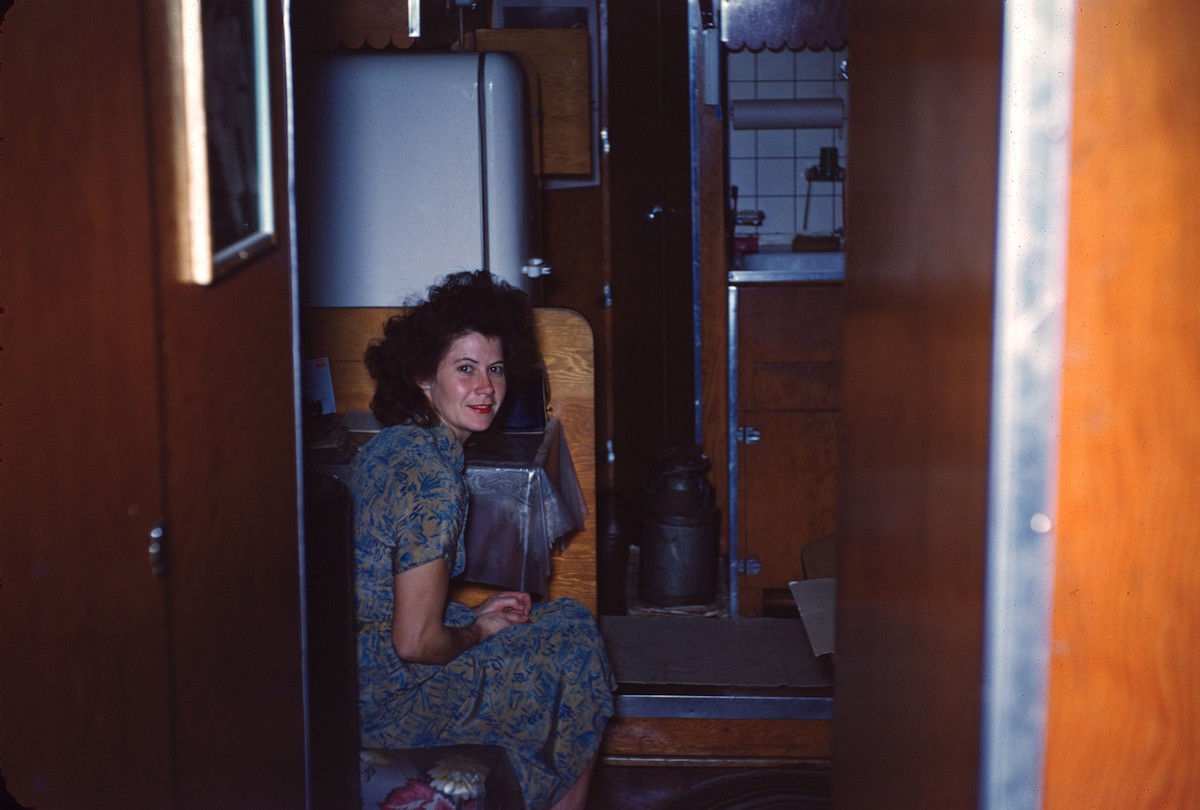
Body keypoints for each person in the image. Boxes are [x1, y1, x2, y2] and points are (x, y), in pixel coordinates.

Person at [349, 270, 616, 810]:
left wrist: (475, 618)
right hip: (387, 696)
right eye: (465, 368)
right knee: (575, 656)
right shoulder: (434, 481)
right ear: (424, 376)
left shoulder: (393, 444)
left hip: (350, 666)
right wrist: (476, 631)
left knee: (566, 621)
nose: (486, 388)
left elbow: (386, 599)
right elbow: (415, 644)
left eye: (495, 368)